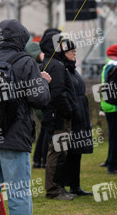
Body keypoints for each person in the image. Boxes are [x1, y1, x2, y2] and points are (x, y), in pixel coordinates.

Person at [0, 20, 51, 214]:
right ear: (21, 38)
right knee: (18, 192)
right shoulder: (26, 62)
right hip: (14, 137)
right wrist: (44, 81)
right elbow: (40, 99)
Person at [39, 30, 77, 200]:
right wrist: (68, 111)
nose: (64, 47)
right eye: (60, 44)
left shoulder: (52, 63)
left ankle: (58, 187)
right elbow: (58, 93)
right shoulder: (55, 65)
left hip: (55, 116)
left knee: (60, 152)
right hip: (59, 117)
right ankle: (53, 190)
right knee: (57, 152)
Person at [59, 39, 93, 195]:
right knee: (68, 153)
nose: (74, 54)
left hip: (81, 117)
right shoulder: (63, 70)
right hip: (72, 117)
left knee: (77, 153)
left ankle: (75, 185)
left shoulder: (73, 70)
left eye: (75, 52)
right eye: (71, 52)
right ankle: (63, 185)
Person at [25, 41, 47, 168]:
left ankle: (38, 159)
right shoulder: (36, 66)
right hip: (40, 105)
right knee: (44, 131)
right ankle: (40, 159)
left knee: (43, 131)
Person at [100, 44, 117, 174]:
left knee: (113, 136)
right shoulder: (113, 67)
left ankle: (109, 161)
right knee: (114, 136)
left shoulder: (107, 66)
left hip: (107, 104)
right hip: (113, 105)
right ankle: (112, 165)